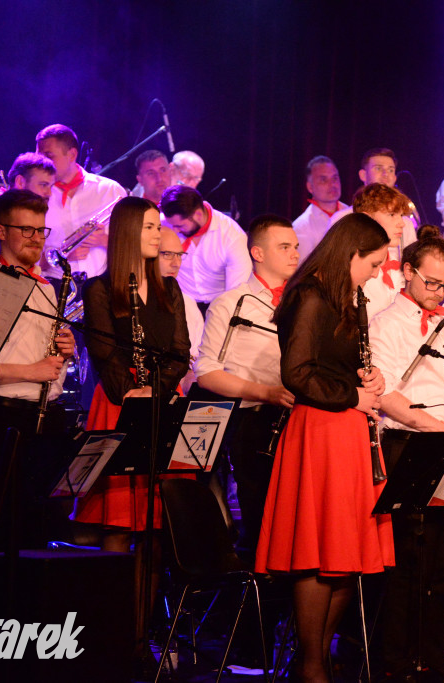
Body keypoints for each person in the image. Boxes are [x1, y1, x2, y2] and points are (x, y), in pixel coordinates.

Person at [255, 213, 393, 683]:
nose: (375, 274)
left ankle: (316, 658)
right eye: (371, 264)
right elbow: (298, 373)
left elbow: (343, 364)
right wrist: (354, 395)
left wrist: (368, 379)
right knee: (318, 553)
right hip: (320, 431)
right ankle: (311, 664)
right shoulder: (311, 295)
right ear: (350, 254)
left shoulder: (347, 297)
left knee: (345, 555)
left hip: (348, 430)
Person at [71, 196, 191, 655]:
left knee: (155, 529)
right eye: (149, 226)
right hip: (119, 406)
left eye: (158, 226)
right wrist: (131, 392)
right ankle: (109, 637)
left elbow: (179, 350)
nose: (158, 234)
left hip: (160, 405)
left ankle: (140, 635)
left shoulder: (169, 289)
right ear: (126, 233)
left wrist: (157, 392)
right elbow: (104, 354)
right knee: (119, 524)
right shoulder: (100, 290)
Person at [369, 228, 444, 679]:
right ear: (406, 272)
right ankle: (396, 662)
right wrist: (435, 427)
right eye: (431, 283)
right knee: (408, 563)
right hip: (408, 444)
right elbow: (385, 394)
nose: (439, 292)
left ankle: (431, 657)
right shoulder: (383, 323)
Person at [0, 189, 76, 546]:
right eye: (26, 230)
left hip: (43, 416)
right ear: (1, 231)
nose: (37, 239)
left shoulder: (46, 287)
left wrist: (66, 351)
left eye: (41, 230)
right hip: (5, 415)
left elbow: (46, 358)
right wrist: (32, 372)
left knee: (36, 532)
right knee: (3, 531)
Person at [195, 214, 299, 550]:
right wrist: (265, 393)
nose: (295, 254)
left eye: (296, 246)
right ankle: (256, 587)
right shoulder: (230, 303)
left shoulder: (305, 303)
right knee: (260, 513)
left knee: (295, 511)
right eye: (284, 247)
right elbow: (207, 373)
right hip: (253, 420)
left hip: (298, 418)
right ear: (258, 253)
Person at [36, 124, 127, 278]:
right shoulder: (36, 196)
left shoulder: (110, 190)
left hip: (103, 287)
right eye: (39, 157)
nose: (41, 163)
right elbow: (25, 258)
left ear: (72, 155)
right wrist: (60, 256)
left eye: (49, 156)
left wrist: (105, 241)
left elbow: (135, 246)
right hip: (54, 289)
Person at [160, 184, 253, 312]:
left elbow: (237, 290)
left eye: (180, 226)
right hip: (179, 304)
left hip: (219, 306)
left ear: (198, 214)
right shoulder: (164, 225)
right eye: (172, 225)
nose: (174, 230)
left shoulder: (232, 235)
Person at [328, 147, 418, 250]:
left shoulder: (405, 224)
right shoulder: (342, 219)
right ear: (363, 175)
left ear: (395, 178)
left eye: (390, 170)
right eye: (378, 168)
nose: (386, 174)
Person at [352, 183, 412, 319]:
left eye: (401, 215)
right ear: (367, 219)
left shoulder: (400, 268)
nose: (401, 223)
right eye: (391, 215)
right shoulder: (354, 272)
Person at [157, 226, 204, 377]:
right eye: (167, 254)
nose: (176, 264)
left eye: (179, 255)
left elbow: (196, 357)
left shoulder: (188, 303)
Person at [292, 155, 349, 260]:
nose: (332, 184)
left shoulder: (352, 213)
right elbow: (303, 271)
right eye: (323, 180)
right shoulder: (302, 227)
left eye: (335, 178)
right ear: (310, 187)